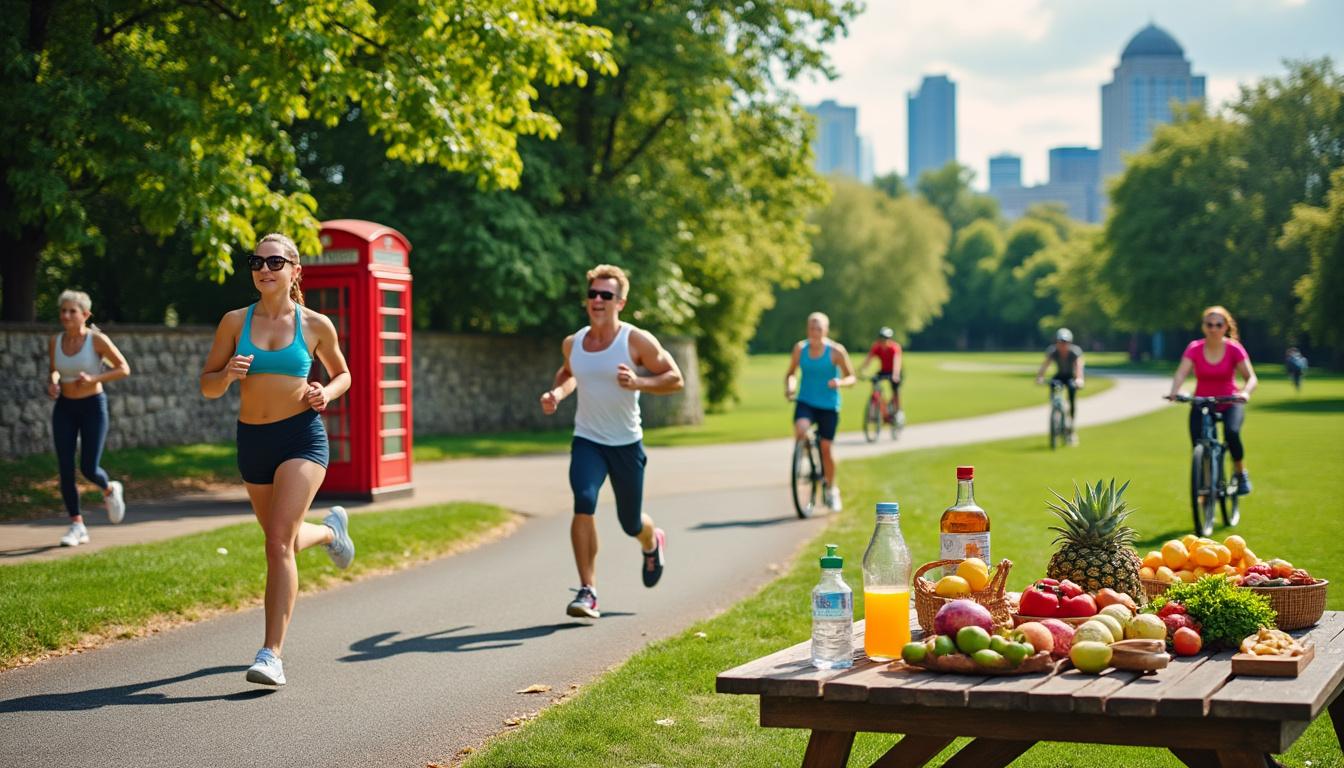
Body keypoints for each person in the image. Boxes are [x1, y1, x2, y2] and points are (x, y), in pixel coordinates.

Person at [200, 233, 354, 686]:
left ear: (294, 270)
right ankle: (331, 532)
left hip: (301, 438)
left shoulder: (315, 325)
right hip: (253, 440)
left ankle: (271, 655)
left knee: (277, 545)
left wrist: (325, 392)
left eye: (274, 262)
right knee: (279, 538)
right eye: (256, 262)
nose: (264, 269)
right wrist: (227, 374)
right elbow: (207, 385)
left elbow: (343, 374)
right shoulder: (234, 321)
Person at [539, 265, 684, 620]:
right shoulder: (574, 343)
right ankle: (587, 591)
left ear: (621, 302)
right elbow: (569, 373)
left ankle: (652, 540)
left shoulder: (635, 341)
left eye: (606, 295)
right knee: (584, 501)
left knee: (630, 522)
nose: (598, 300)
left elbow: (675, 378)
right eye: (593, 294)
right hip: (587, 440)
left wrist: (639, 383)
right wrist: (557, 394)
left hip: (626, 444)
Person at [47, 290, 130, 547]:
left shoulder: (97, 340)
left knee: (88, 468)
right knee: (65, 467)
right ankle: (77, 525)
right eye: (63, 311)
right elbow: (54, 370)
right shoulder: (55, 341)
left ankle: (110, 489)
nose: (66, 316)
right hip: (64, 407)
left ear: (85, 314)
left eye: (72, 311)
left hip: (93, 406)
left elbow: (123, 369)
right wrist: (53, 382)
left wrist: (94, 378)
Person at [1166, 305, 1258, 495]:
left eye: (1218, 325)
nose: (1213, 329)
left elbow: (1251, 378)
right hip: (1202, 402)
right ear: (1203, 326)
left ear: (1226, 326)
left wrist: (1245, 393)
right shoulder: (1195, 348)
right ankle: (1207, 484)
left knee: (1232, 433)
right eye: (1209, 324)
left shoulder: (1234, 348)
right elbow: (1181, 373)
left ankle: (1240, 473)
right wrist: (1175, 391)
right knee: (1198, 443)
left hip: (1230, 401)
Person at [784, 312, 857, 511]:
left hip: (828, 405)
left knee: (826, 448)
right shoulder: (800, 349)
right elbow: (791, 374)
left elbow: (852, 378)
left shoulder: (836, 351)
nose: (814, 332)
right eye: (811, 328)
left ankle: (831, 489)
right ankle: (806, 452)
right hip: (806, 401)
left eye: (818, 328)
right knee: (801, 429)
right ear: (807, 329)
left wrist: (840, 382)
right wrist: (791, 386)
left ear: (825, 330)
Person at [1035, 328, 1085, 444]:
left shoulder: (1074, 352)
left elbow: (1078, 366)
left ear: (1069, 342)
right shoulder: (1053, 351)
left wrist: (1079, 379)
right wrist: (1040, 376)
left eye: (1065, 342)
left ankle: (1071, 428)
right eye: (1060, 342)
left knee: (1072, 396)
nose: (1062, 345)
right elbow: (1045, 364)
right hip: (1059, 376)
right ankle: (1056, 408)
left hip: (1071, 377)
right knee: (1054, 387)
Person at [857, 326, 904, 427]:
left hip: (895, 372)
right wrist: (861, 370)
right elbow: (868, 359)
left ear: (890, 339)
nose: (883, 341)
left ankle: (898, 412)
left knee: (895, 390)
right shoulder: (877, 347)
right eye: (882, 338)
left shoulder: (894, 348)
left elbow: (897, 361)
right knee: (875, 384)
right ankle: (878, 407)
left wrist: (895, 375)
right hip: (884, 371)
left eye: (886, 338)